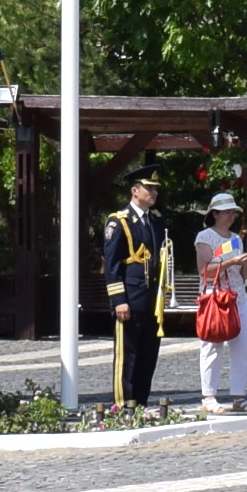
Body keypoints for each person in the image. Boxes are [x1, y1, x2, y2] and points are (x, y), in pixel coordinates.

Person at [104, 174, 172, 407]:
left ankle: (140, 404)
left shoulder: (156, 220)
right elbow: (111, 265)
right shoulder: (119, 221)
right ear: (135, 190)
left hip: (152, 299)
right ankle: (123, 405)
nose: (153, 193)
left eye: (155, 189)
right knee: (127, 357)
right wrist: (118, 299)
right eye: (148, 188)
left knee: (147, 357)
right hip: (130, 299)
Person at [190, 192, 247, 411]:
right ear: (215, 214)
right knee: (212, 345)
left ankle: (239, 396)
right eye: (227, 211)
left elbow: (244, 275)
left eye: (233, 212)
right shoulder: (204, 237)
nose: (231, 215)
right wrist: (230, 263)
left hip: (238, 297)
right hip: (214, 298)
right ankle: (208, 397)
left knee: (241, 348)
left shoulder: (237, 239)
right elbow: (204, 271)